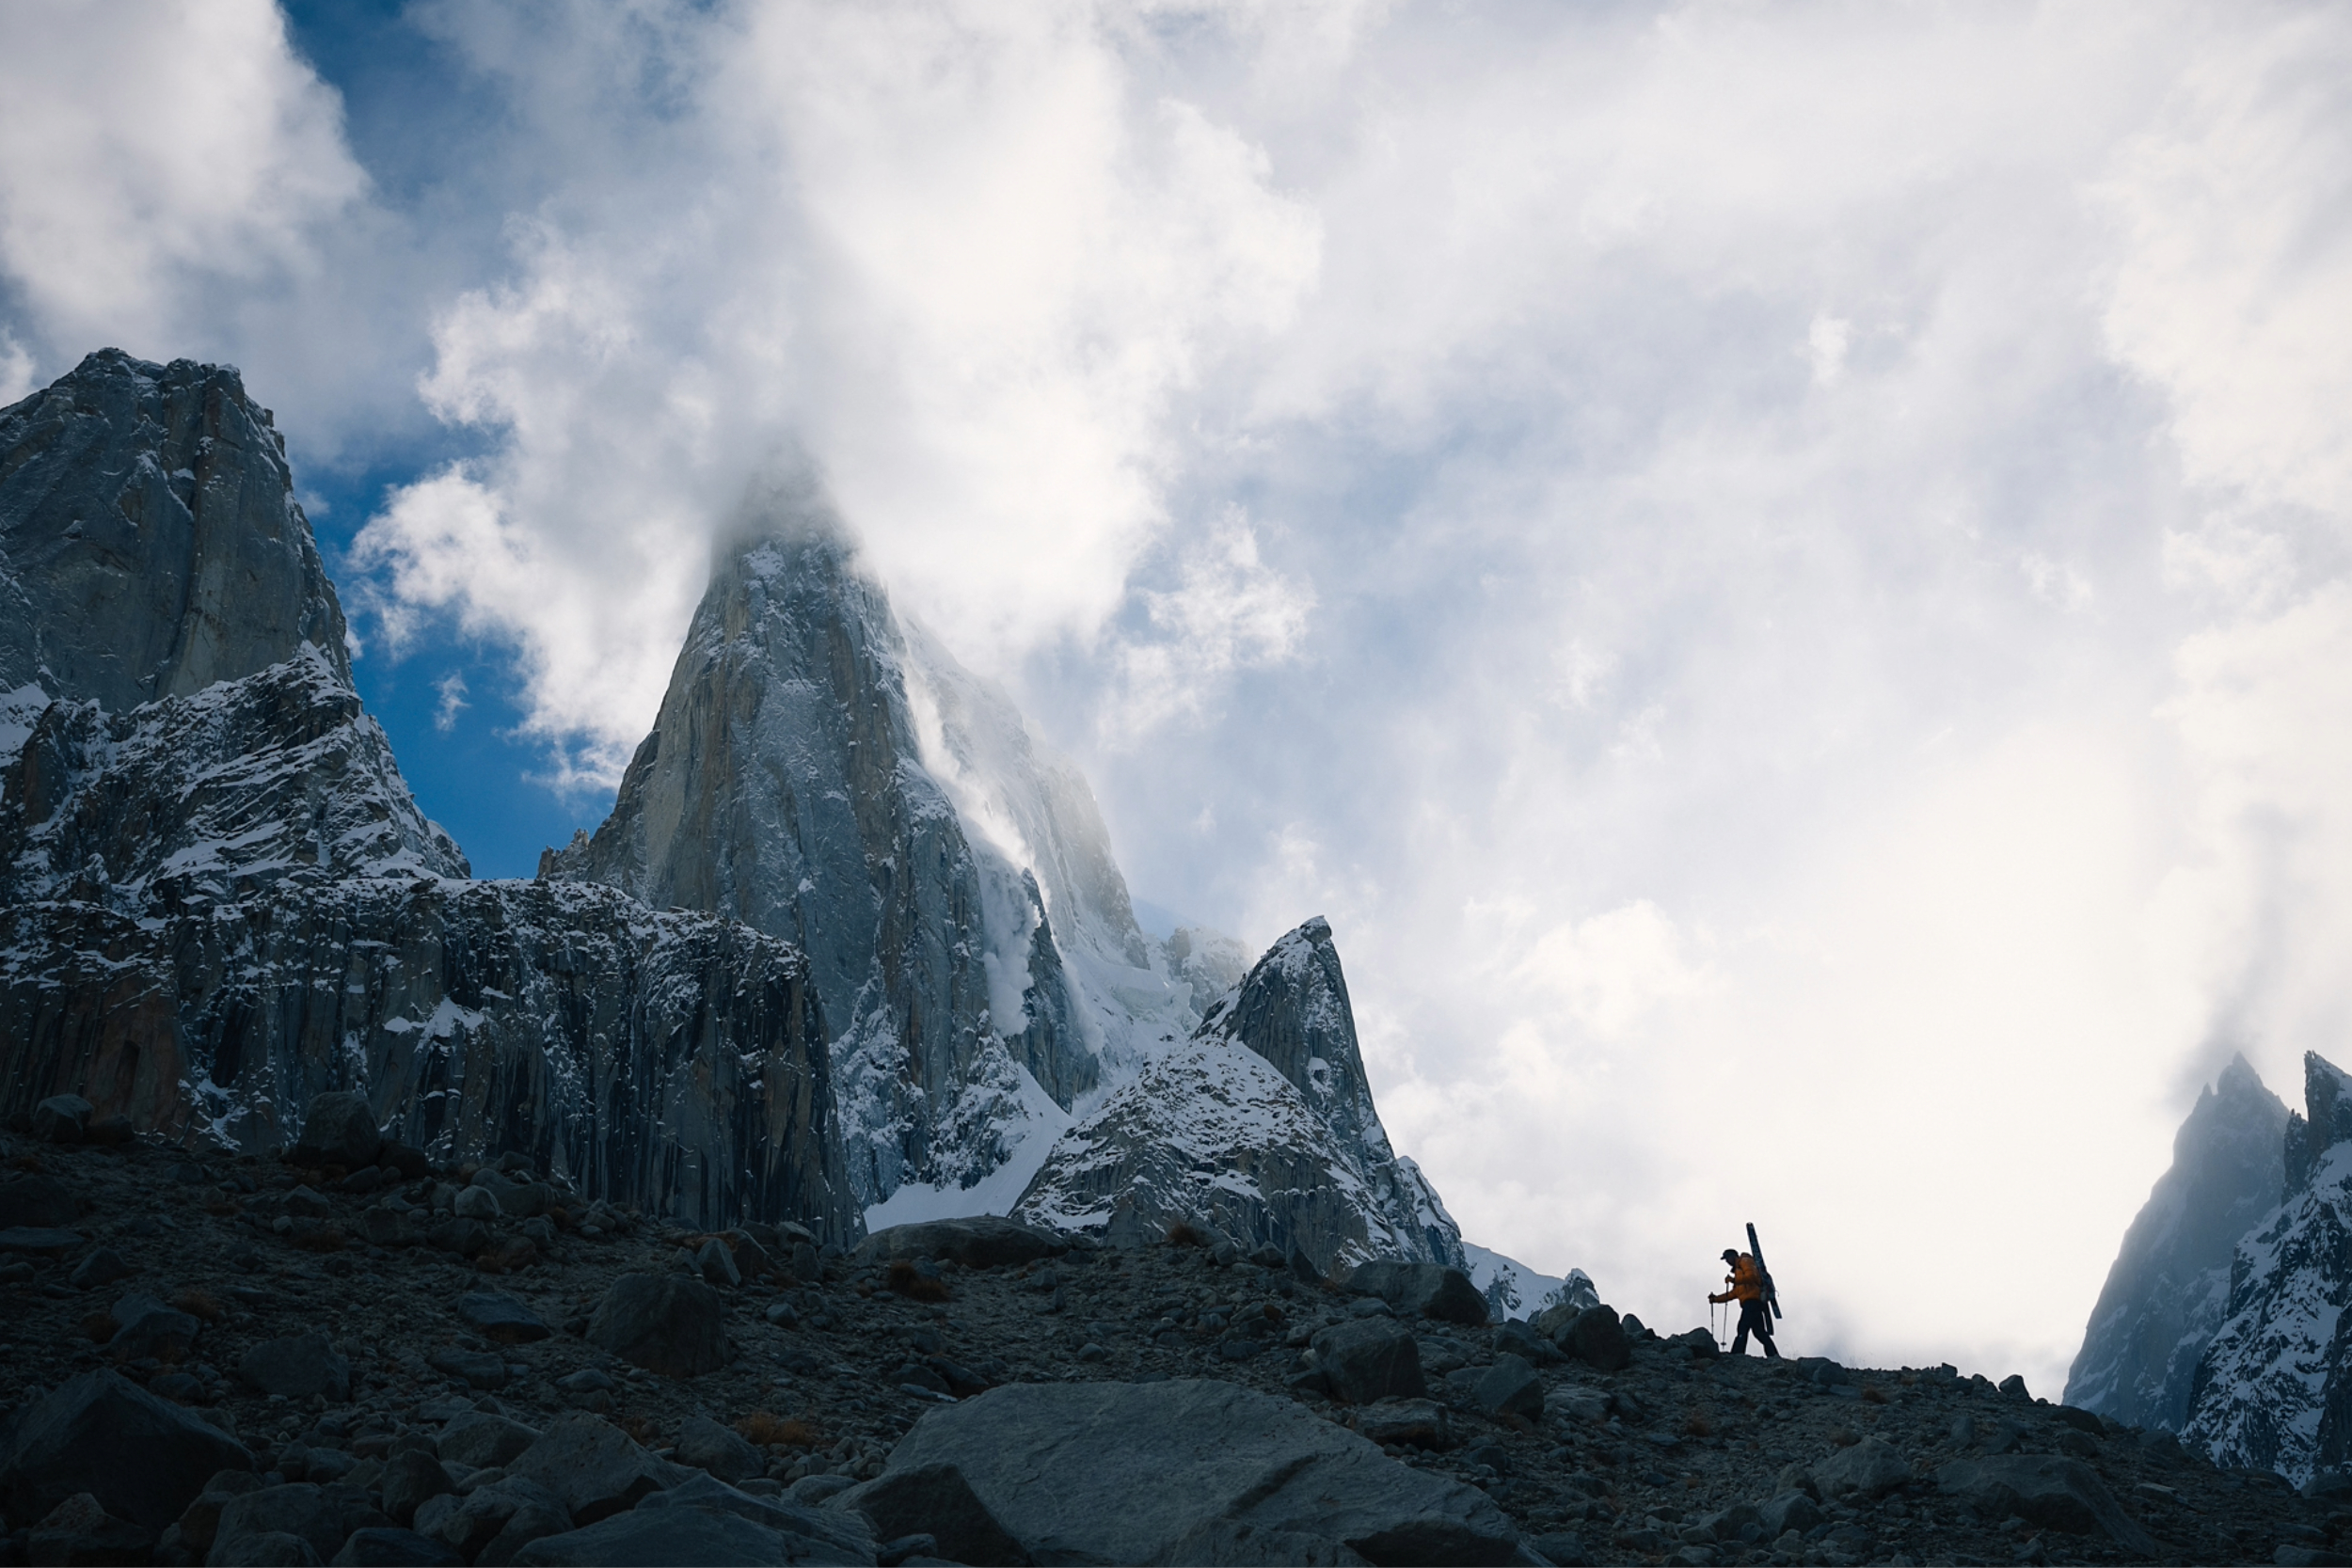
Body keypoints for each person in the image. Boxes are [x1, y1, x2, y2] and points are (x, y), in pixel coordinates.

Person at [1710, 1246, 1780, 1358]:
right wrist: (1716, 1299)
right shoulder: (1738, 1271)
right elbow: (1733, 1293)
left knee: (1743, 1327)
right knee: (1759, 1332)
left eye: (1727, 1258)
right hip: (1753, 1302)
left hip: (1752, 1301)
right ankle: (1774, 1356)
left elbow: (1751, 1277)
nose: (1727, 1261)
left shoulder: (1745, 1261)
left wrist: (1733, 1280)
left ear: (1733, 1256)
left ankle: (1737, 1354)